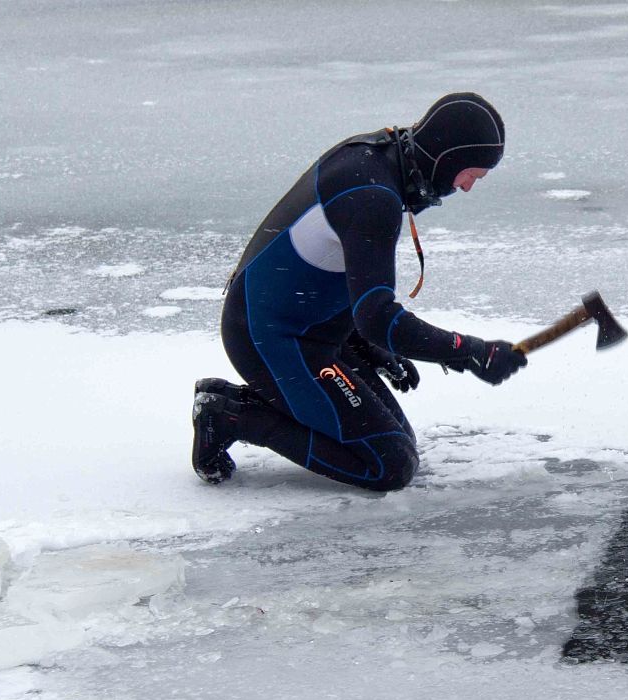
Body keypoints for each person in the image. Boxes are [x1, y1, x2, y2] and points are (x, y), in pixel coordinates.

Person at [191, 92, 526, 491]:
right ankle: (229, 414)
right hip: (271, 338)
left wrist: (369, 348)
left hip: (312, 325)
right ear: (447, 158)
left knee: (398, 442)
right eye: (471, 174)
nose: (467, 187)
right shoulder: (372, 197)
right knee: (389, 465)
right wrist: (469, 350)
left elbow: (337, 279)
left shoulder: (378, 157)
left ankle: (252, 403)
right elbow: (380, 318)